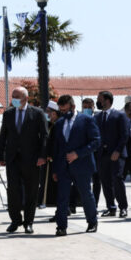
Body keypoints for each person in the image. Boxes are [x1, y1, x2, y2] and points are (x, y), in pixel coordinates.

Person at [0, 86, 48, 234]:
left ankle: (28, 222)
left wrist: (42, 156)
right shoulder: (8, 114)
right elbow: (3, 137)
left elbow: (44, 136)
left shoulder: (38, 113)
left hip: (32, 159)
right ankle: (15, 220)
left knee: (31, 191)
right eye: (13, 96)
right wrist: (1, 156)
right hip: (13, 159)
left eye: (16, 96)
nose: (13, 99)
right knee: (13, 191)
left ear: (25, 98)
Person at [49, 95, 101, 236]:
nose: (63, 113)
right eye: (61, 111)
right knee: (62, 197)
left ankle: (92, 222)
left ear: (72, 107)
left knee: (86, 195)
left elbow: (96, 142)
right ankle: (61, 226)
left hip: (82, 165)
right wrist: (55, 169)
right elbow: (57, 148)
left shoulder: (87, 120)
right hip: (63, 167)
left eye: (65, 110)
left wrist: (78, 154)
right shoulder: (59, 124)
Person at [92, 91, 129, 218]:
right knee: (105, 182)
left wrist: (118, 151)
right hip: (102, 155)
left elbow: (124, 136)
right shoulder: (97, 117)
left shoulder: (120, 115)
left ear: (107, 100)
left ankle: (123, 207)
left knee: (117, 179)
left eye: (99, 99)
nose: (98, 101)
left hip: (116, 155)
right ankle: (111, 207)